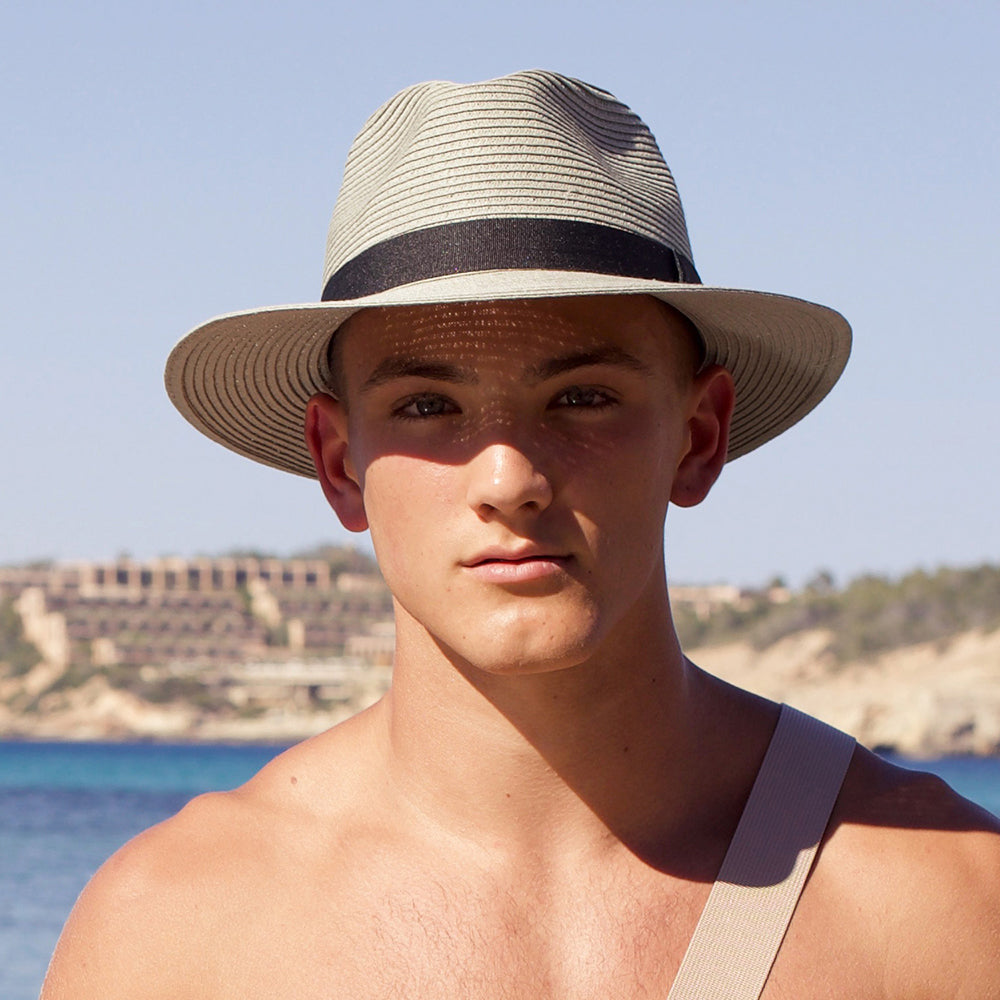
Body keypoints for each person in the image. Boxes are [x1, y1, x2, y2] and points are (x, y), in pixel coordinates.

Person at [43, 70, 999, 999]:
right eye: (427, 406)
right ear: (338, 463)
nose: (509, 480)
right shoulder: (178, 930)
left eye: (583, 398)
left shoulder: (942, 905)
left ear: (700, 437)